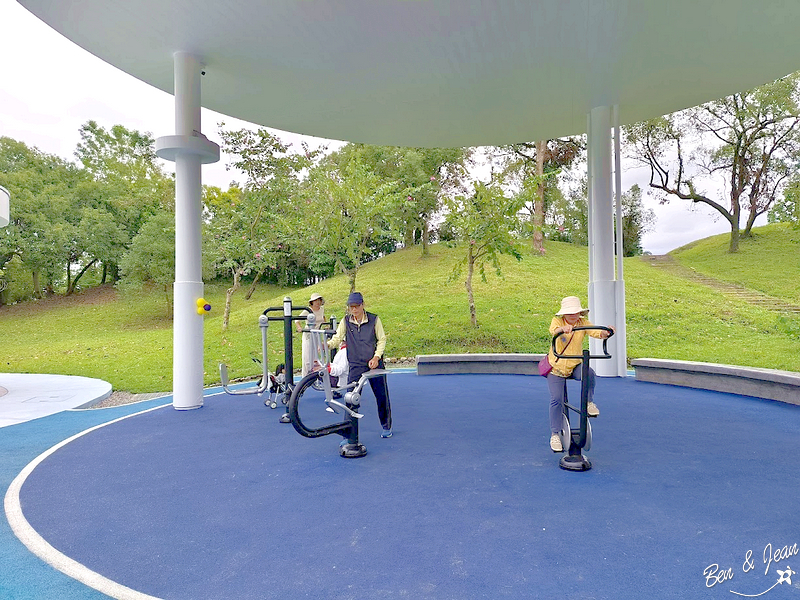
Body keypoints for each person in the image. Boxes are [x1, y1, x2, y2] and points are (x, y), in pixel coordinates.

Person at [546, 296, 614, 453]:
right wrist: (562, 330)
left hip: (574, 364)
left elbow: (595, 332)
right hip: (556, 367)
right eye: (569, 313)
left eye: (576, 312)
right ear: (564, 314)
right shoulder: (557, 321)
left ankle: (589, 403)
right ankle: (555, 434)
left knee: (588, 373)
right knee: (557, 399)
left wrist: (606, 332)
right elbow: (554, 331)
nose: (573, 315)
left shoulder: (582, 323)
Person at [328, 291, 393, 438]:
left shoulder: (374, 320)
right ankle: (348, 435)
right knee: (350, 398)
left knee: (381, 395)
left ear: (363, 305)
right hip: (356, 364)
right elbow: (337, 338)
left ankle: (386, 426)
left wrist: (376, 357)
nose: (354, 310)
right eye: (351, 307)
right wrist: (327, 345)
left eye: (357, 306)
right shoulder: (345, 321)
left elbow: (381, 339)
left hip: (374, 363)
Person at [297, 293, 326, 377]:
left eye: (319, 300)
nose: (317, 303)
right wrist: (299, 328)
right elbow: (297, 320)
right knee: (307, 356)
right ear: (312, 302)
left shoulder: (321, 309)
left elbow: (323, 317)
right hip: (309, 334)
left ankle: (315, 376)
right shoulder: (307, 310)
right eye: (315, 301)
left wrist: (325, 325)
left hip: (318, 333)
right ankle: (305, 376)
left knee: (316, 355)